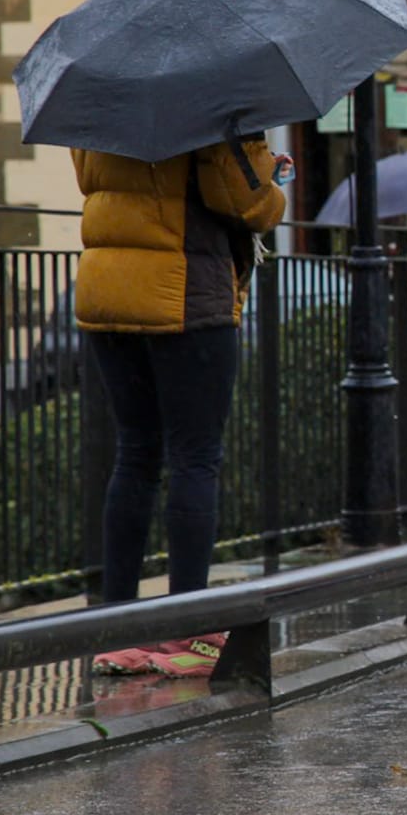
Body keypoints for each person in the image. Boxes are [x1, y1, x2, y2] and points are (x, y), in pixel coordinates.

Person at [82, 137, 288, 679]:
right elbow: (245, 202)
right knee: (196, 457)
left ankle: (115, 633)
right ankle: (189, 630)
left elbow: (96, 183)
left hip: (108, 290)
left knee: (136, 454)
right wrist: (270, 175)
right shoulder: (211, 100)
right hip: (184, 289)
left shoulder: (98, 96)